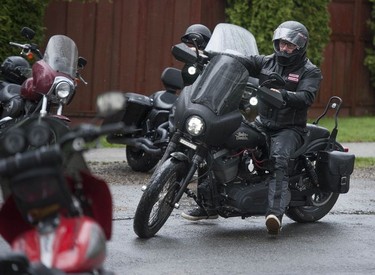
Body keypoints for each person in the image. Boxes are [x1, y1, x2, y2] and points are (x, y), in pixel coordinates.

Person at [181, 20, 323, 236]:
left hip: (289, 129)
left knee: (278, 159)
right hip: (262, 123)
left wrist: (282, 94)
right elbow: (243, 61)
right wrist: (216, 58)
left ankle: (274, 214)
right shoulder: (267, 62)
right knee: (216, 141)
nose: (284, 48)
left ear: (300, 46)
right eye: (282, 43)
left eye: (290, 45)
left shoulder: (309, 71)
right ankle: (208, 205)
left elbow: (307, 96)